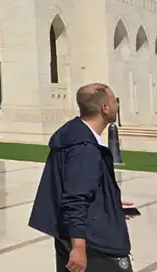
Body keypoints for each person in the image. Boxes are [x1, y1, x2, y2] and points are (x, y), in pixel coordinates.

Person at [29, 83, 136, 272]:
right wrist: (79, 249)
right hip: (94, 245)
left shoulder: (73, 134)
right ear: (105, 108)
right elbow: (75, 199)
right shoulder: (84, 147)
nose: (116, 106)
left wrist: (109, 207)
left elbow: (77, 188)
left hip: (75, 236)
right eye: (114, 101)